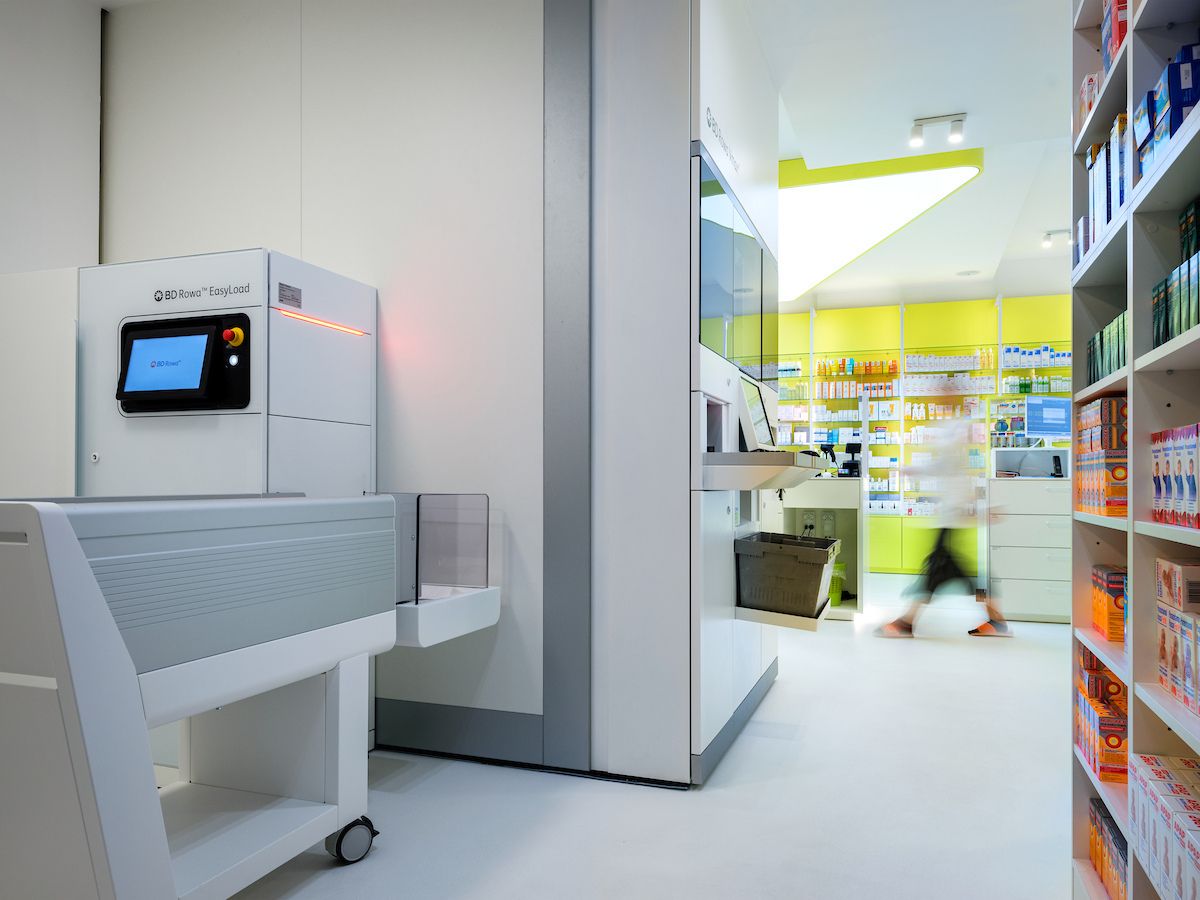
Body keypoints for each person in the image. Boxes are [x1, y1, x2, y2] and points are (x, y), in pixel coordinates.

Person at [875, 413, 1010, 638]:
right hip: (950, 521)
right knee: (955, 575)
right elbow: (944, 469)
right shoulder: (956, 451)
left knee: (939, 571)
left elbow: (944, 468)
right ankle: (996, 621)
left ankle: (907, 622)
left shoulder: (956, 446)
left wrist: (979, 512)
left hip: (950, 521)